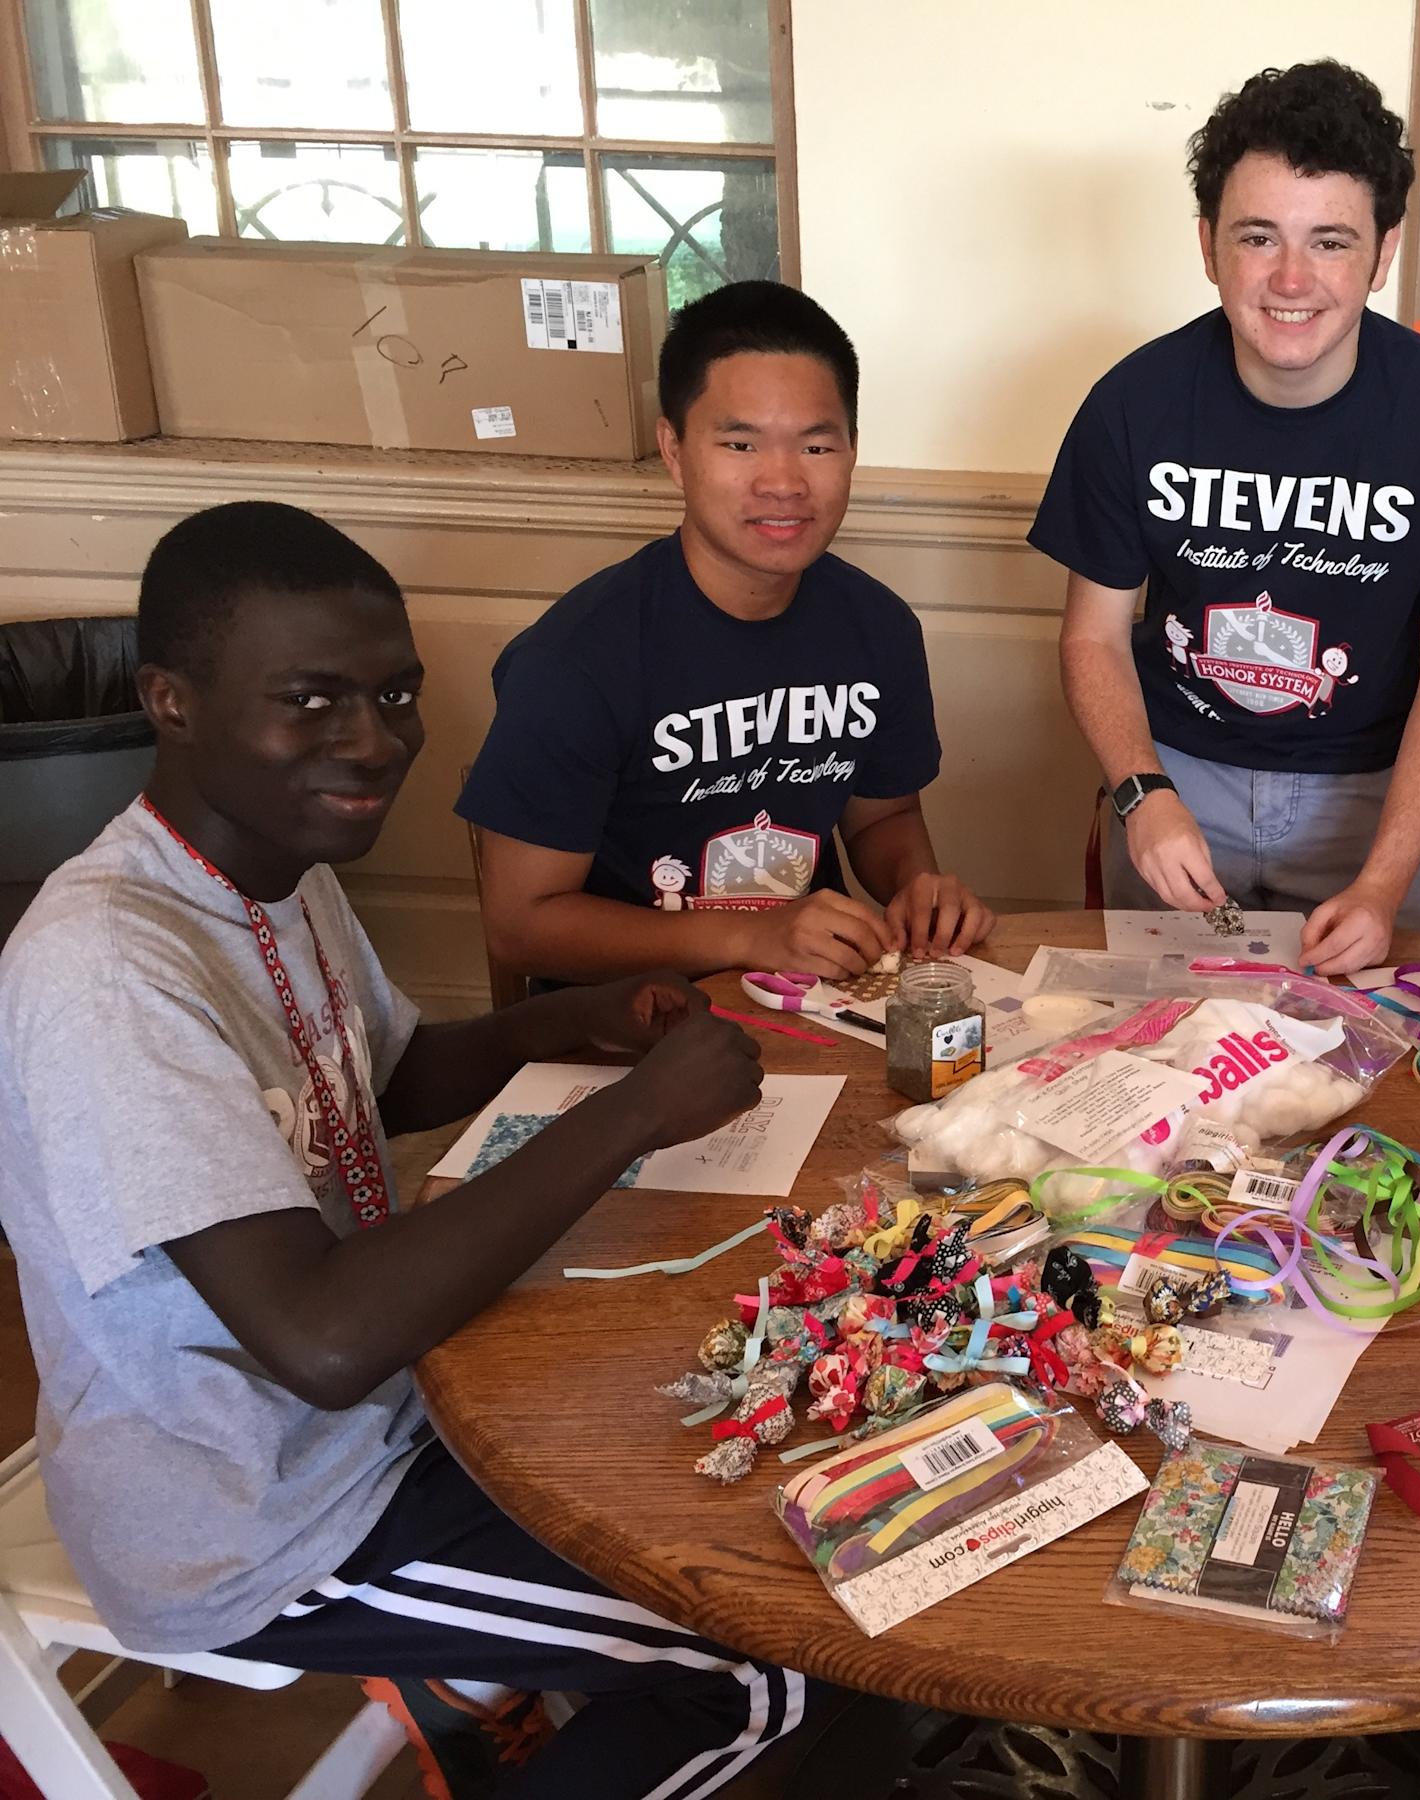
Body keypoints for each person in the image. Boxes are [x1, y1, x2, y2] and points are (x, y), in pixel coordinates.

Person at [0, 501, 816, 1798]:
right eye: (312, 701)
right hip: (260, 1521)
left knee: (742, 1425)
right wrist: (641, 1111)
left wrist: (582, 1018)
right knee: (756, 1656)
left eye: (395, 694)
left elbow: (379, 1081)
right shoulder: (107, 972)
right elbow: (321, 1341)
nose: (373, 743)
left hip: (394, 1414)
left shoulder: (275, 866)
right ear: (171, 700)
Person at [1032, 59, 1420, 975]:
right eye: (1258, 237)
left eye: (1332, 242)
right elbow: (1093, 639)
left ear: (1384, 253)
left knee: (1372, 1063)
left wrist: (1385, 881)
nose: (1292, 279)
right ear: (1207, 244)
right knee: (1145, 1068)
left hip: (1372, 800)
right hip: (1175, 771)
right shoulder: (1130, 403)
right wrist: (1142, 796)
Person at [460, 281, 992, 985]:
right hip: (622, 1027)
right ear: (675, 451)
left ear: (852, 450)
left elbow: (880, 818)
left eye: (816, 445)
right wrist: (750, 936)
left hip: (808, 999)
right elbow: (521, 928)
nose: (782, 482)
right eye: (740, 443)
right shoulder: (575, 660)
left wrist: (919, 888)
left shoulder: (878, 628)